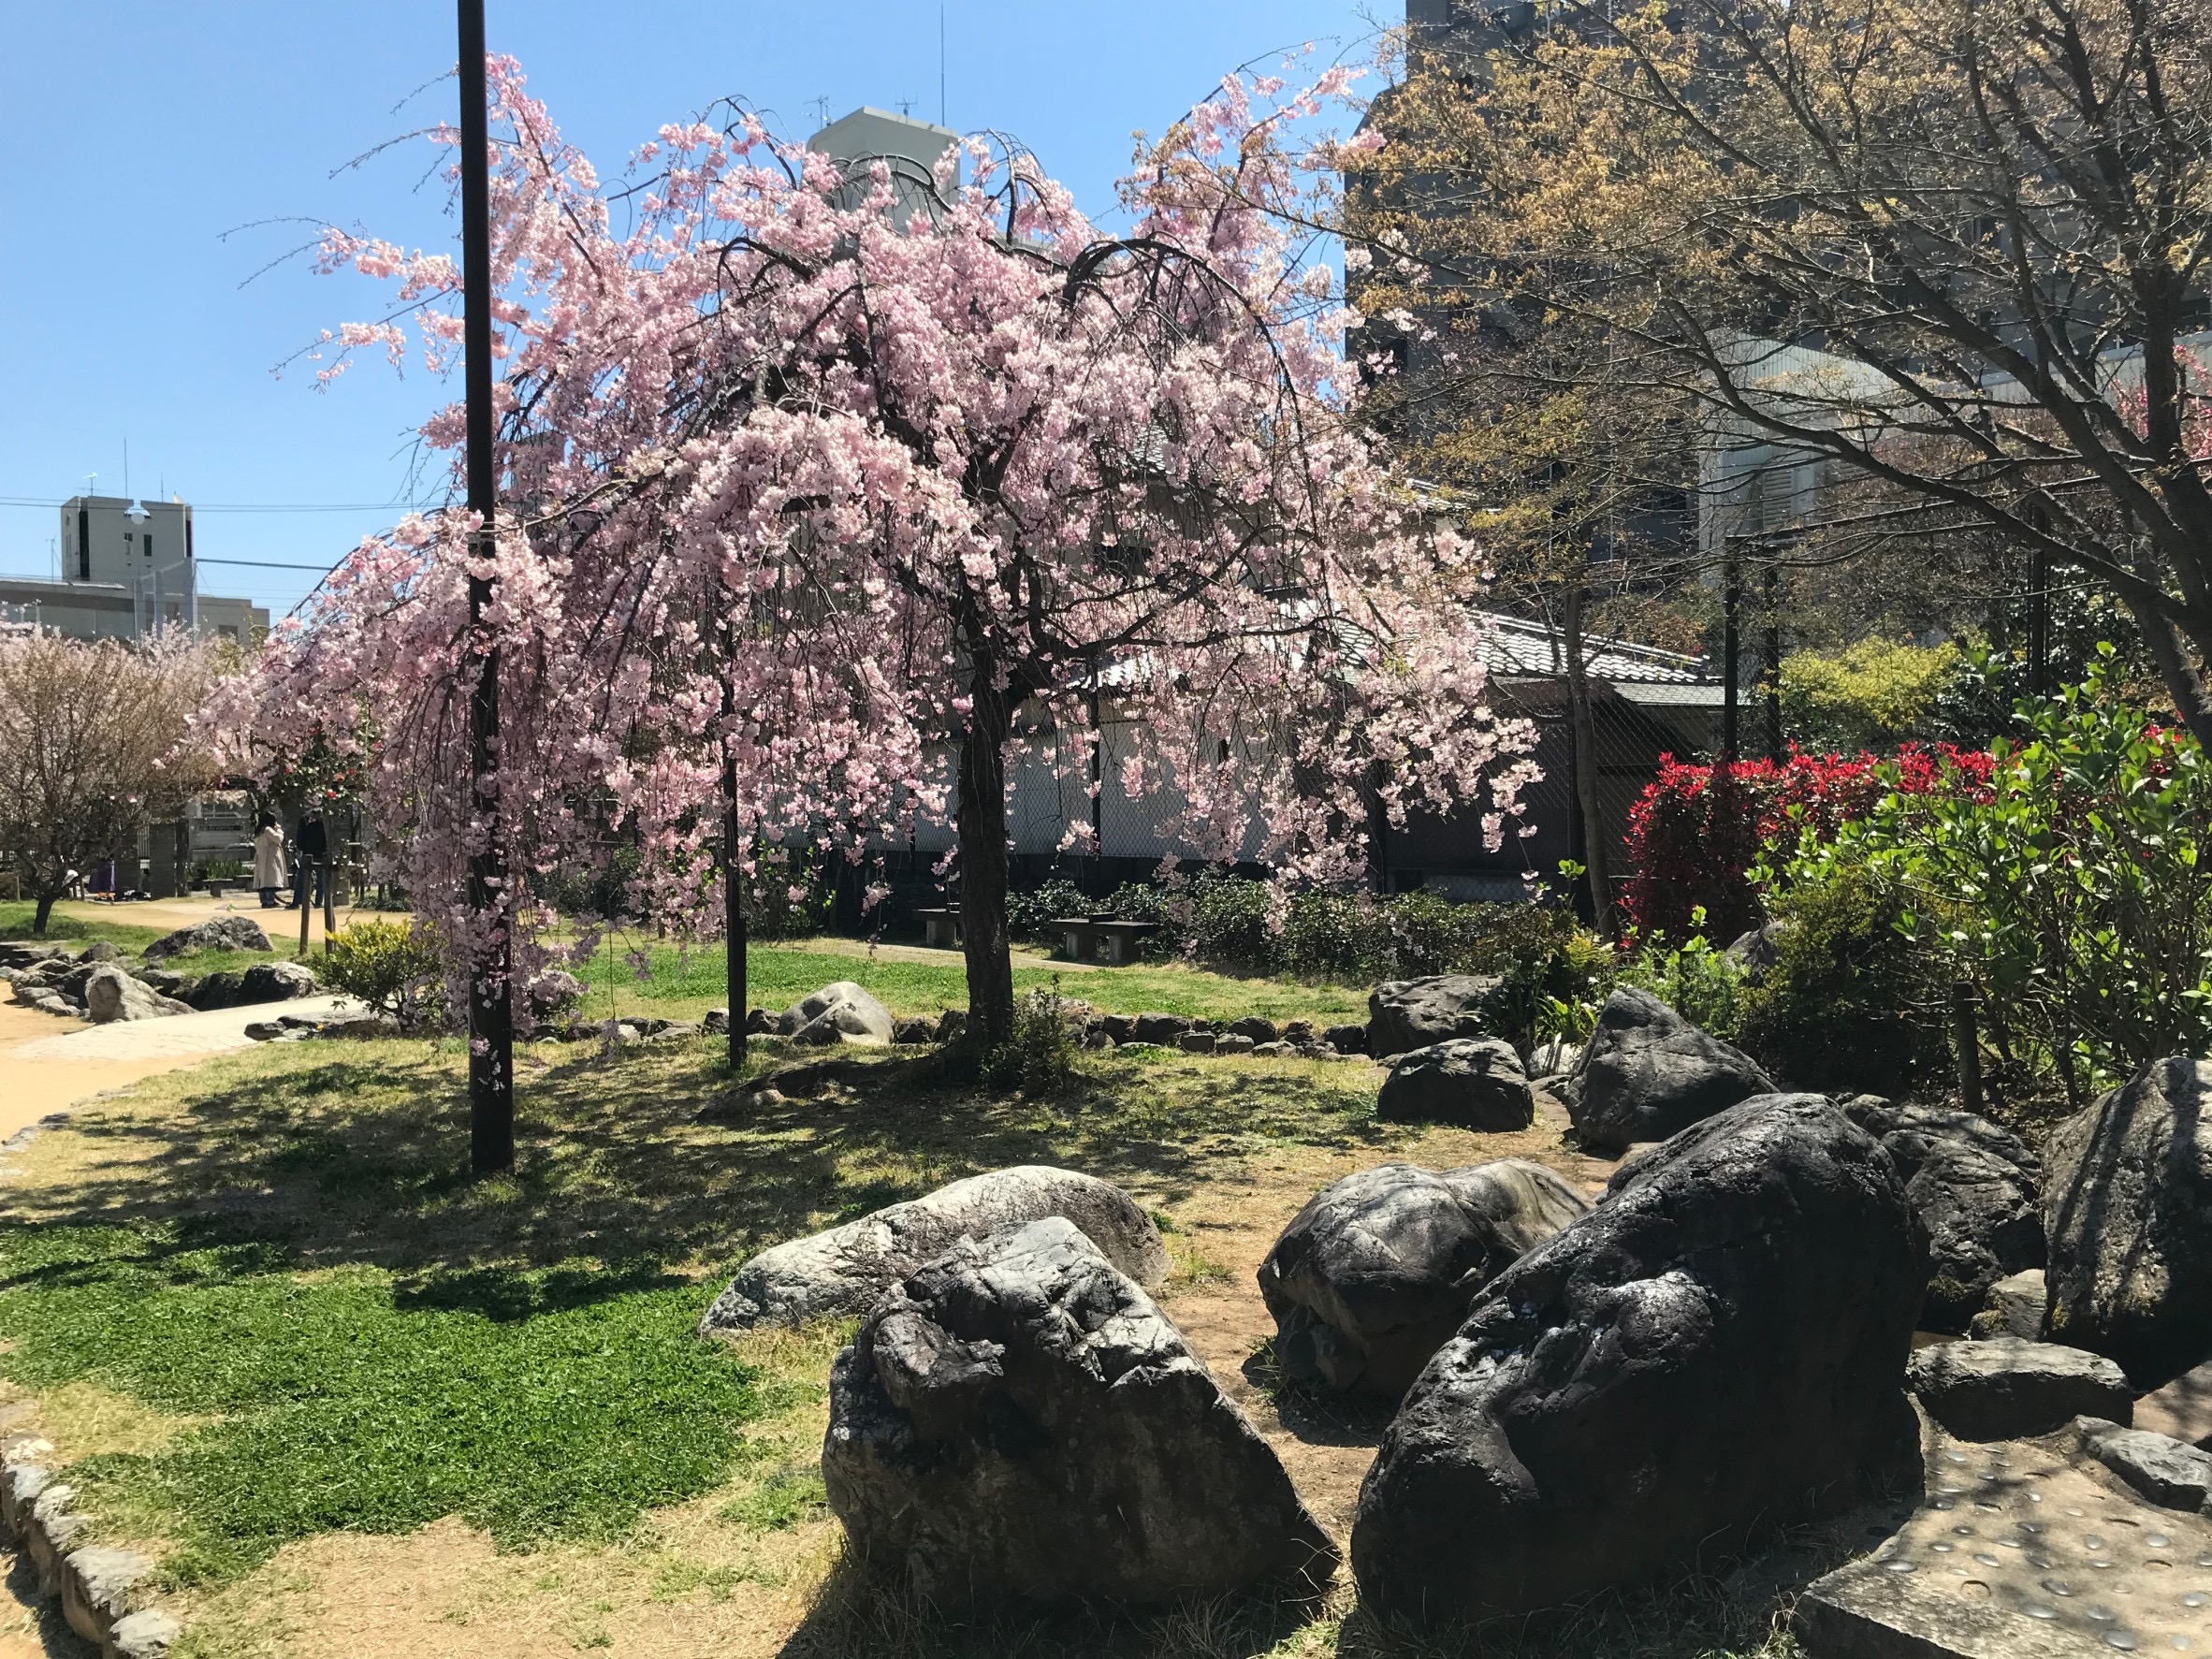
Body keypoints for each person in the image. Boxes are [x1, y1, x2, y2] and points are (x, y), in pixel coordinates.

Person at [292, 809, 328, 911]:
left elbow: (300, 837)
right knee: (320, 878)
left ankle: (297, 902)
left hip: (308, 852)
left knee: (302, 878)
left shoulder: (305, 821)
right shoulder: (323, 822)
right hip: (319, 853)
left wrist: (301, 848)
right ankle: (318, 902)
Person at [253, 813, 287, 910]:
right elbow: (278, 839)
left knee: (262, 880)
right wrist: (279, 830)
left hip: (262, 857)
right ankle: (270, 900)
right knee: (270, 880)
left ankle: (264, 900)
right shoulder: (268, 830)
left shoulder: (259, 831)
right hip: (270, 857)